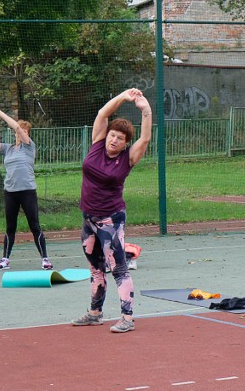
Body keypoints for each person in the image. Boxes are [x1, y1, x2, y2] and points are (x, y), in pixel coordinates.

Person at [71, 88, 152, 333]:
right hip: (89, 218)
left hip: (111, 220)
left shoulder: (128, 158)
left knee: (118, 268)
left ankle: (127, 318)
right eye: (112, 135)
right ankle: (95, 313)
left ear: (125, 143)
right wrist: (123, 97)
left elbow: (145, 139)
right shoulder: (97, 143)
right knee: (95, 268)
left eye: (119, 138)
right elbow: (102, 113)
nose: (114, 140)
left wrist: (145, 111)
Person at [0, 109, 52, 271]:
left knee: (34, 225)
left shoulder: (29, 147)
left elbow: (16, 127)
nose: (21, 132)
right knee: (10, 227)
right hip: (10, 193)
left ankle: (45, 258)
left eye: (24, 131)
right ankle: (5, 260)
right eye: (20, 131)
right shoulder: (8, 149)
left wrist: (1, 114)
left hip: (27, 191)